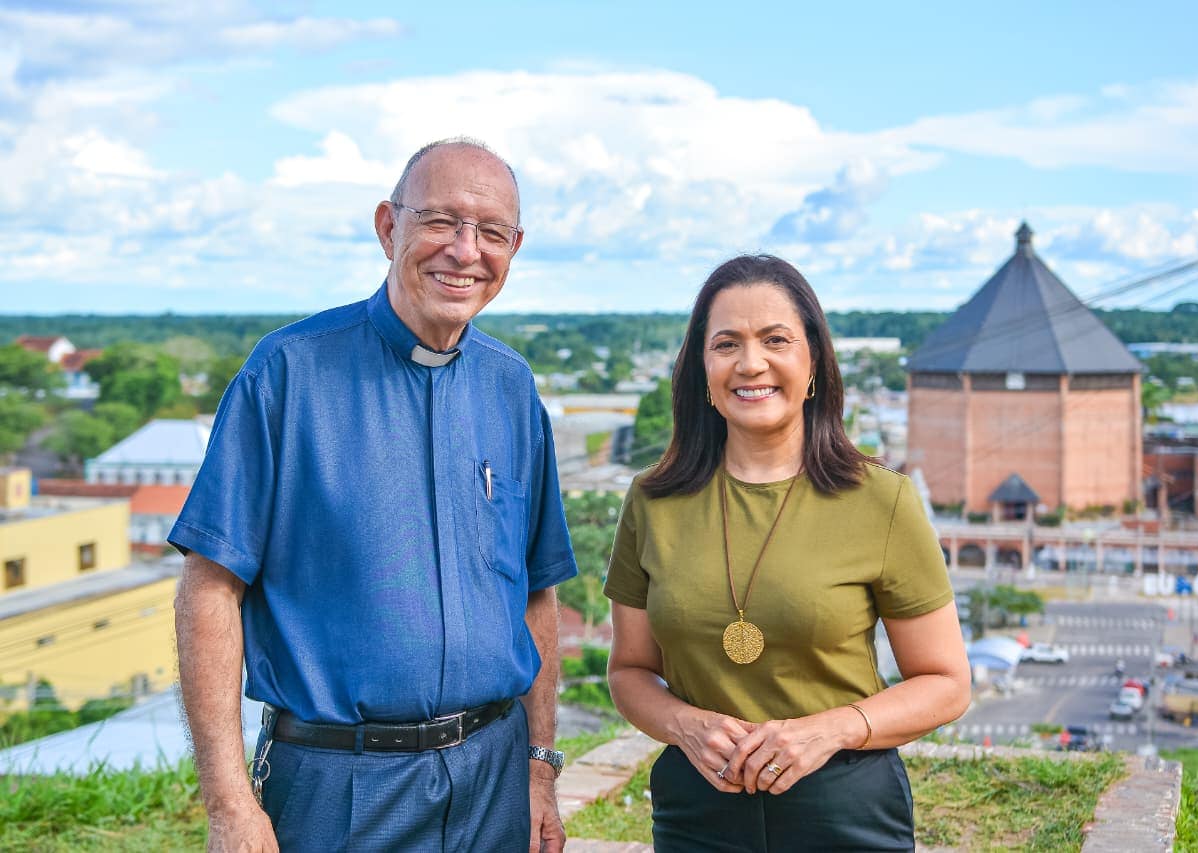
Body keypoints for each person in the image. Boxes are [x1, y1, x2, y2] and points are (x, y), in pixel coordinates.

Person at [171, 138, 577, 853]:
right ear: (389, 227)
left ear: (514, 248)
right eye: (440, 221)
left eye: (490, 232)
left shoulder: (513, 388)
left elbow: (536, 595)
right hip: (340, 785)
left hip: (494, 778)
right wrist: (230, 803)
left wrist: (539, 768)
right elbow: (209, 590)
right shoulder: (286, 373)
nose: (464, 250)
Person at [605, 255, 970, 851]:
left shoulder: (883, 501)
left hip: (846, 805)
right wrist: (684, 724)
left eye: (775, 340)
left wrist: (830, 731)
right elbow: (629, 672)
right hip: (698, 808)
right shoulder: (652, 501)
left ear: (814, 366)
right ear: (702, 369)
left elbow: (946, 683)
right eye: (726, 344)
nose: (752, 363)